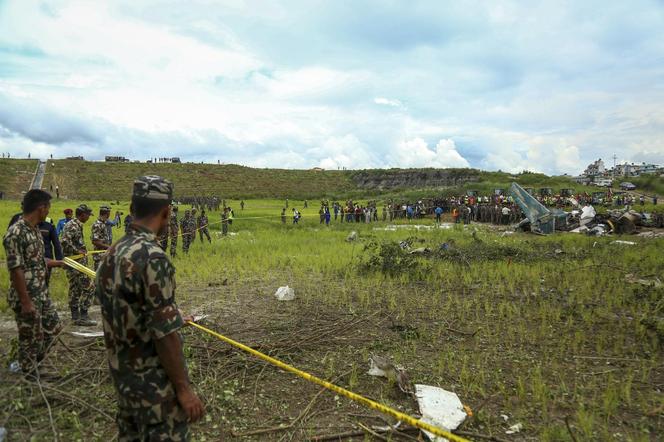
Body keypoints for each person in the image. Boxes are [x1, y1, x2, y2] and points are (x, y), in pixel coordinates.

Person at [96, 176, 204, 441]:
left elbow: (132, 309)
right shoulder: (152, 257)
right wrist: (184, 390)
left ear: (132, 209)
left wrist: (174, 316)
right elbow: (165, 336)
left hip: (124, 383)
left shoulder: (114, 252)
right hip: (155, 392)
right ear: (166, 212)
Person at [3, 189, 63, 379]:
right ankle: (30, 375)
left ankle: (32, 365)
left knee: (54, 328)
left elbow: (37, 260)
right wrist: (25, 301)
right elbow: (16, 269)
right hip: (26, 296)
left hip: (41, 293)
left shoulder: (35, 230)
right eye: (48, 207)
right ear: (41, 207)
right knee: (30, 337)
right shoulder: (16, 232)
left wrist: (59, 263)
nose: (48, 211)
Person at [61, 204, 96, 326]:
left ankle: (75, 316)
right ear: (82, 214)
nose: (88, 217)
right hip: (75, 264)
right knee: (90, 287)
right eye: (87, 215)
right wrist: (77, 251)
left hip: (75, 263)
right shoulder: (73, 225)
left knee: (75, 288)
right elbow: (64, 241)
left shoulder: (75, 225)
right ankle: (83, 315)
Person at [38, 216, 63, 286]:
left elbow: (56, 242)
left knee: (45, 282)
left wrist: (59, 260)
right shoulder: (20, 219)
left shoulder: (48, 222)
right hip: (29, 260)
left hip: (47, 258)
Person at [91, 206, 112, 271]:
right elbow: (95, 241)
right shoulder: (98, 224)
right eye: (109, 213)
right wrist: (109, 247)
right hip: (99, 256)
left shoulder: (103, 223)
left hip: (104, 255)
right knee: (98, 277)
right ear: (107, 214)